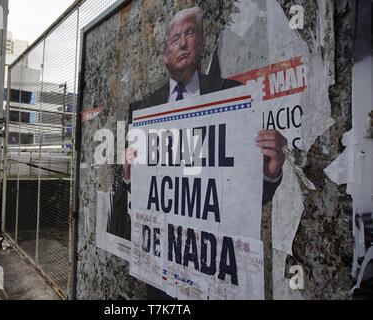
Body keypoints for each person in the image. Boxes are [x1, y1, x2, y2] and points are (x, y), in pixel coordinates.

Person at [108, 8, 287, 298]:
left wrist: (268, 175)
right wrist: (129, 177)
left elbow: (244, 200)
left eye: (189, 34)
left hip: (211, 271)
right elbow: (130, 191)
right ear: (165, 54)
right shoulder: (143, 109)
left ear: (200, 42)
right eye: (175, 38)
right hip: (160, 270)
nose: (182, 43)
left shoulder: (231, 96)